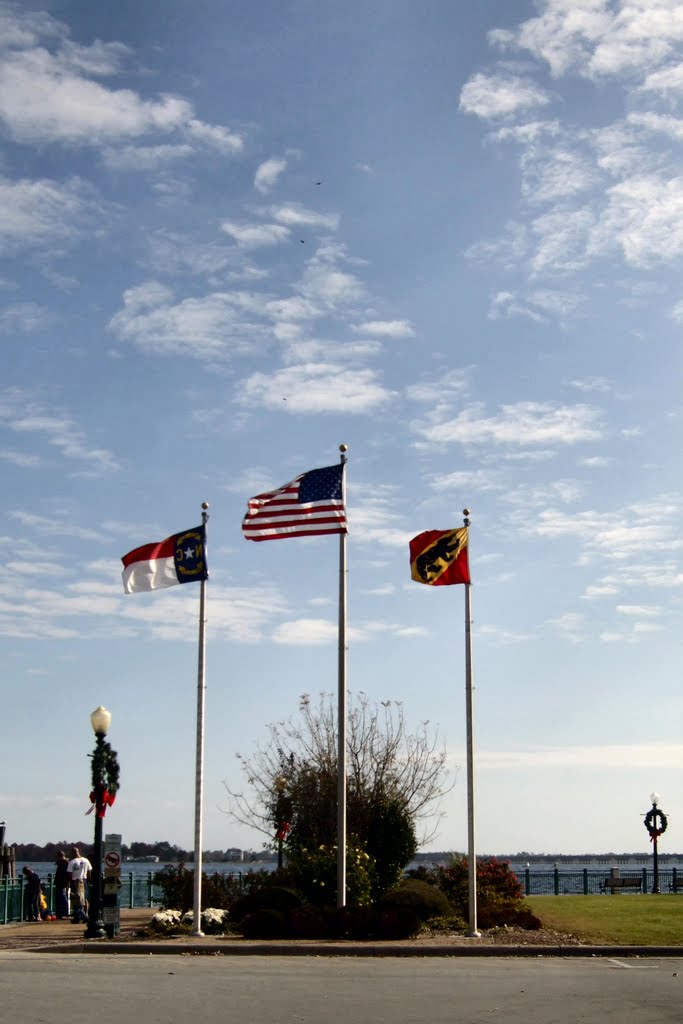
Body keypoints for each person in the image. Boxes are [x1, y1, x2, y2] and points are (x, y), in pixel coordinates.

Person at [66, 846, 92, 923]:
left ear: (73, 853)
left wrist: (69, 882)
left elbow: (69, 874)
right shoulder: (86, 860)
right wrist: (88, 880)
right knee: (84, 899)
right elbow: (89, 871)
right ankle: (86, 914)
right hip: (84, 880)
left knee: (75, 899)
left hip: (75, 881)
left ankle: (80, 917)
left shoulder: (72, 862)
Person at [54, 850, 70, 919]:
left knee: (62, 897)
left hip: (62, 883)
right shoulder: (63, 863)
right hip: (60, 882)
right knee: (61, 897)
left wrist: (67, 882)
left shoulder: (65, 863)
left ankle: (64, 913)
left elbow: (66, 874)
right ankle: (61, 912)